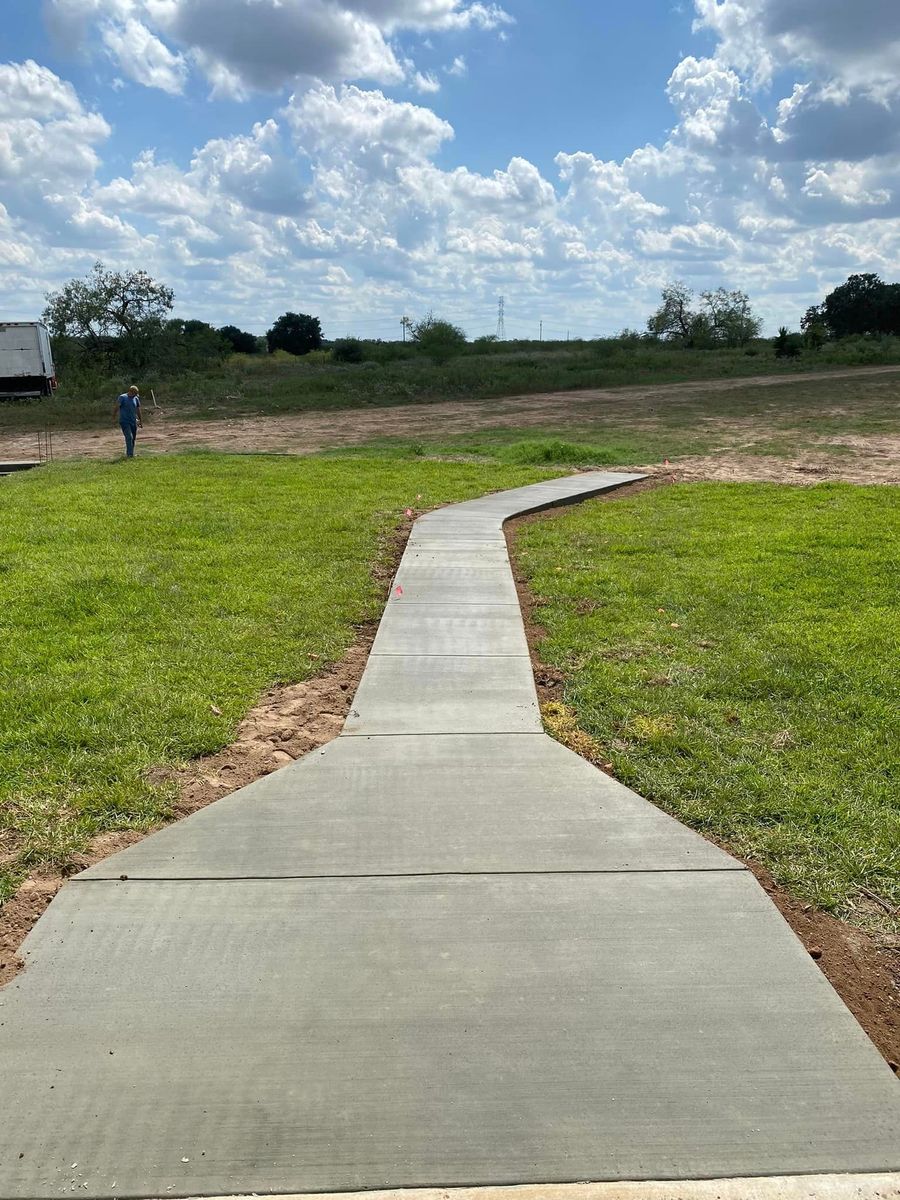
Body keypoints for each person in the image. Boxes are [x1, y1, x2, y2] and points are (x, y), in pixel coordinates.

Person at [114, 385, 143, 457]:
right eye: (134, 394)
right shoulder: (122, 397)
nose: (135, 396)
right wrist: (113, 416)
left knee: (133, 438)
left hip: (133, 421)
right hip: (124, 421)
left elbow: (138, 410)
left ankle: (131, 453)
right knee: (129, 437)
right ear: (131, 392)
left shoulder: (136, 398)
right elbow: (117, 406)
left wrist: (140, 420)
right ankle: (129, 455)